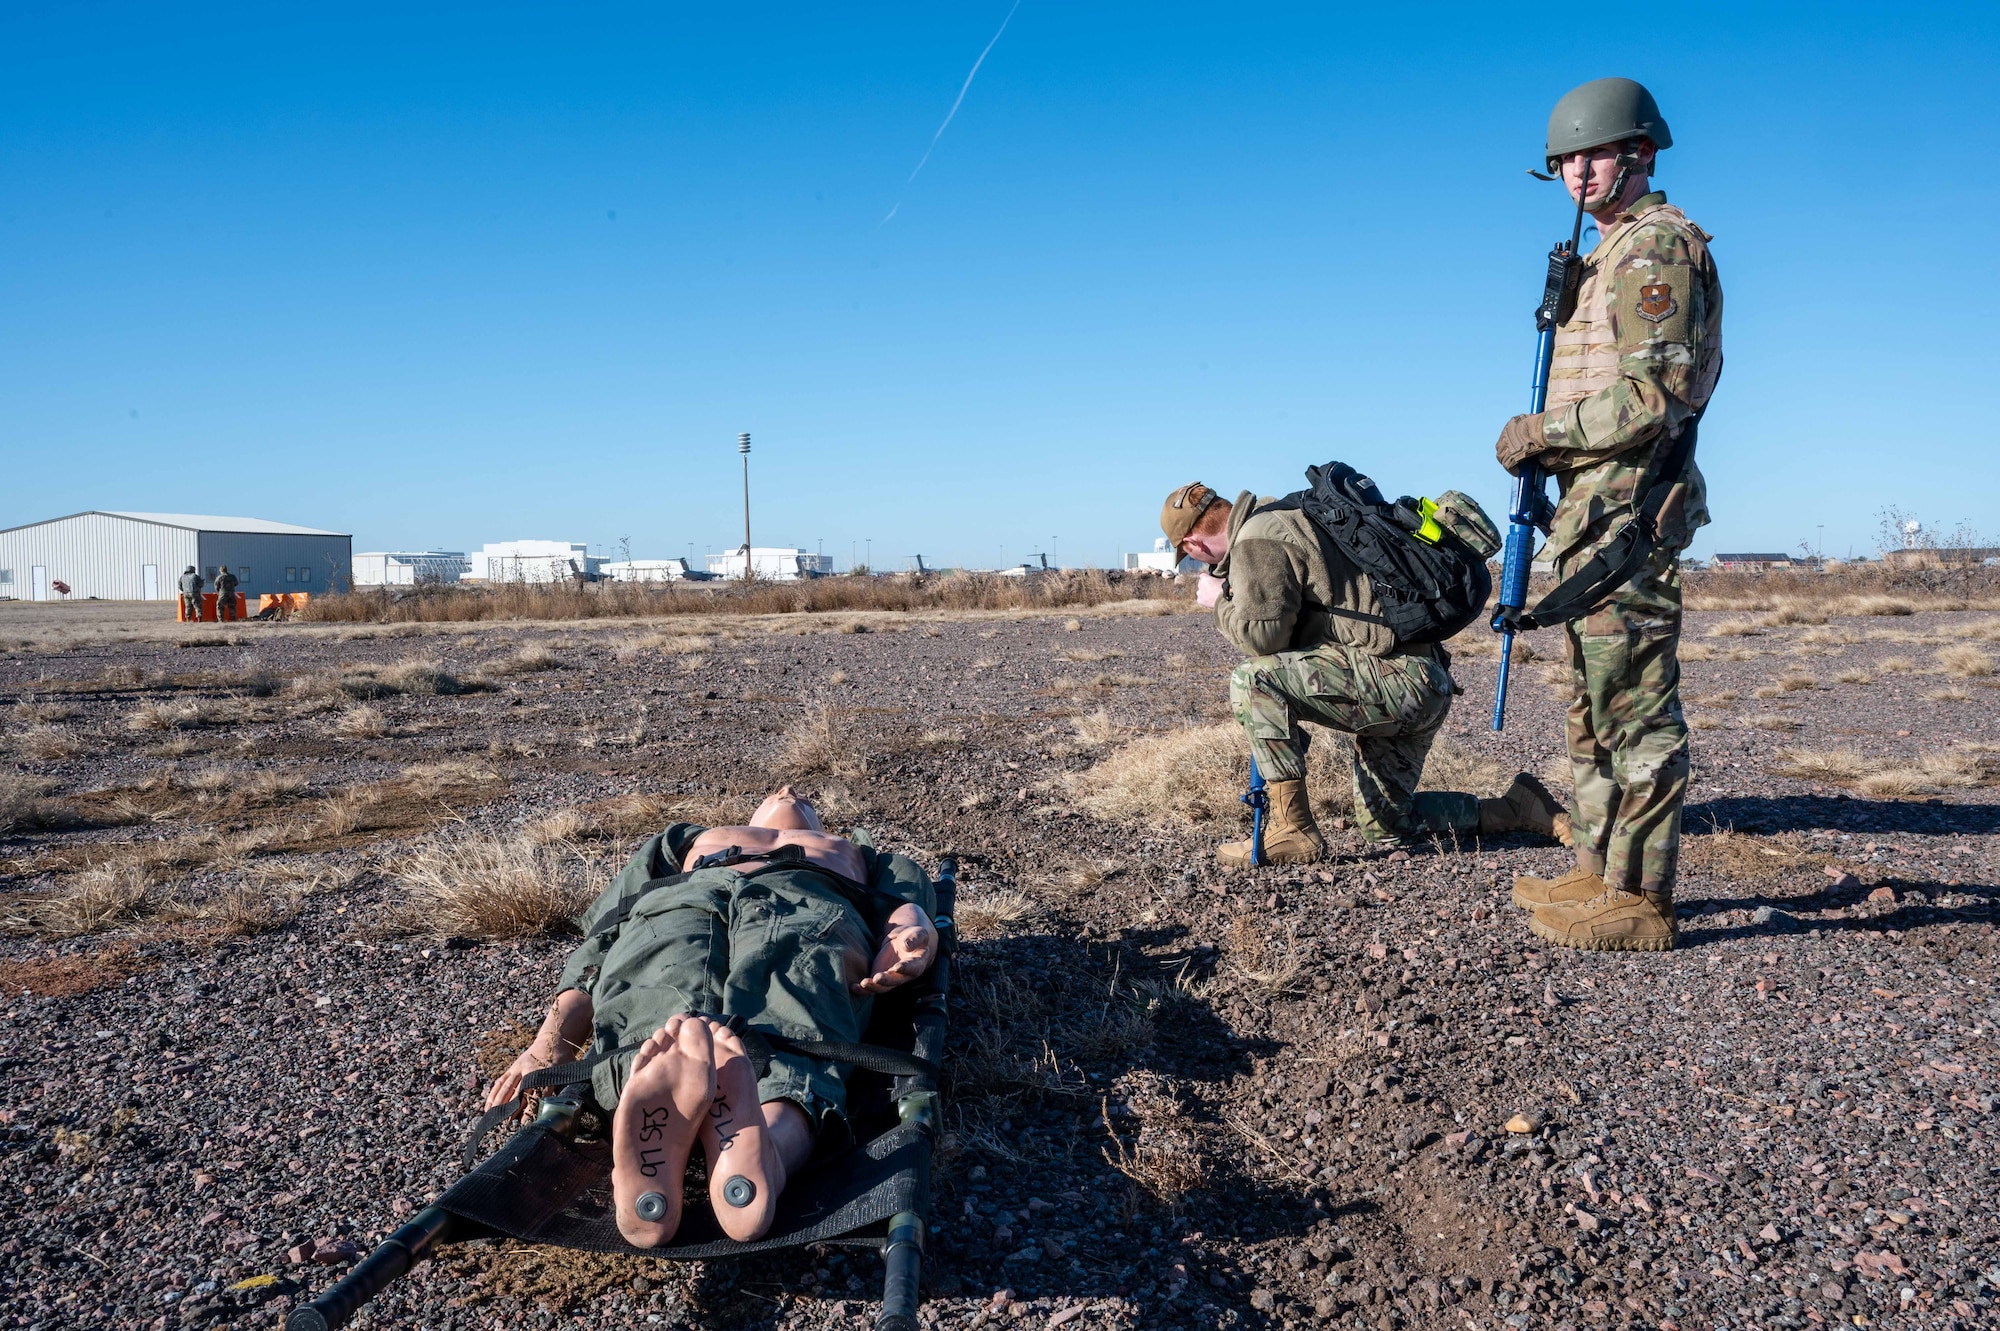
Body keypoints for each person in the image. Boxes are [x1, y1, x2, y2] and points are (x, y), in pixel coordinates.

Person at [485, 786, 938, 1246]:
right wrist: (548, 1045)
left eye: (802, 793)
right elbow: (605, 935)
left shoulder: (862, 854)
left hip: (809, 900)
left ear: (822, 823)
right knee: (654, 979)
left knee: (797, 991)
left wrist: (909, 939)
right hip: (684, 897)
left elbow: (914, 909)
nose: (788, 790)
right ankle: (758, 1144)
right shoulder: (681, 840)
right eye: (777, 788)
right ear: (751, 811)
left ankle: (729, 1148)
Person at [1496, 78, 1723, 952]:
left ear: (1641, 153)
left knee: (1639, 712)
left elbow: (1653, 398)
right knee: (1594, 709)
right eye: (1566, 161)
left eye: (1594, 154)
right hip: (1591, 511)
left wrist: (1541, 431)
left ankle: (1646, 898)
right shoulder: (1604, 255)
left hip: (1632, 511)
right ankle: (1599, 869)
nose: (1579, 173)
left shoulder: (1652, 250)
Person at [1160, 482, 1567, 865]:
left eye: (1193, 555)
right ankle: (1515, 808)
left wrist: (1218, 603)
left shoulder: (1256, 536)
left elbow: (1264, 639)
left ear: (1194, 543)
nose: (1199, 561)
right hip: (1423, 679)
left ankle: (1293, 830)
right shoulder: (1290, 514)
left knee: (1255, 679)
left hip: (1397, 681)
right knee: (1386, 824)